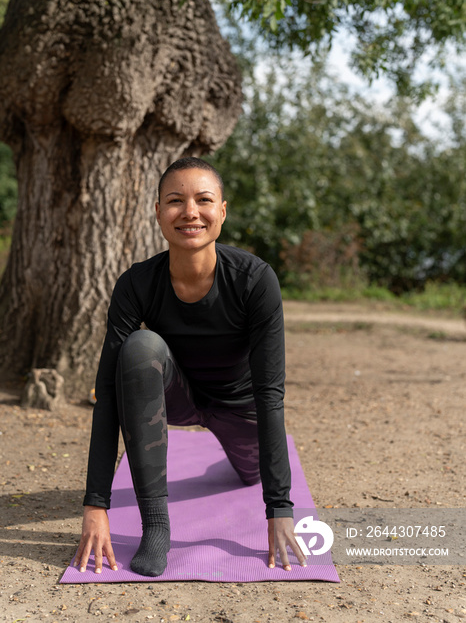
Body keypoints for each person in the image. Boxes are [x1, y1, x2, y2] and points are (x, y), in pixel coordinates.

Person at [75, 156, 306, 577]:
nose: (190, 212)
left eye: (203, 200)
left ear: (222, 211)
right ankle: (156, 527)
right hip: (177, 397)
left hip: (240, 408)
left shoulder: (255, 280)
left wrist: (280, 507)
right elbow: (108, 392)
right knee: (140, 346)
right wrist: (96, 504)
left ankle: (233, 459)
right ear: (158, 212)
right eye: (175, 200)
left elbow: (270, 392)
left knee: (247, 473)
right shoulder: (136, 283)